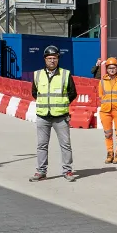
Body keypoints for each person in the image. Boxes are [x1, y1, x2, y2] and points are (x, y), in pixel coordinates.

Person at [29, 45, 78, 182]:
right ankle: (41, 171)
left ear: (58, 59)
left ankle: (67, 171)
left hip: (60, 117)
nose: (52, 61)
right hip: (43, 116)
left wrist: (61, 104)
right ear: (45, 59)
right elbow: (34, 92)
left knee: (65, 144)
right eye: (49, 58)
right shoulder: (37, 74)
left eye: (54, 58)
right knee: (41, 145)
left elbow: (73, 93)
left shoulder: (65, 74)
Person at [98, 57, 117, 164]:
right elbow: (101, 96)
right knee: (107, 134)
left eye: (114, 68)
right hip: (105, 111)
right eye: (109, 68)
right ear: (106, 69)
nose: (111, 70)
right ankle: (110, 153)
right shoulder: (102, 82)